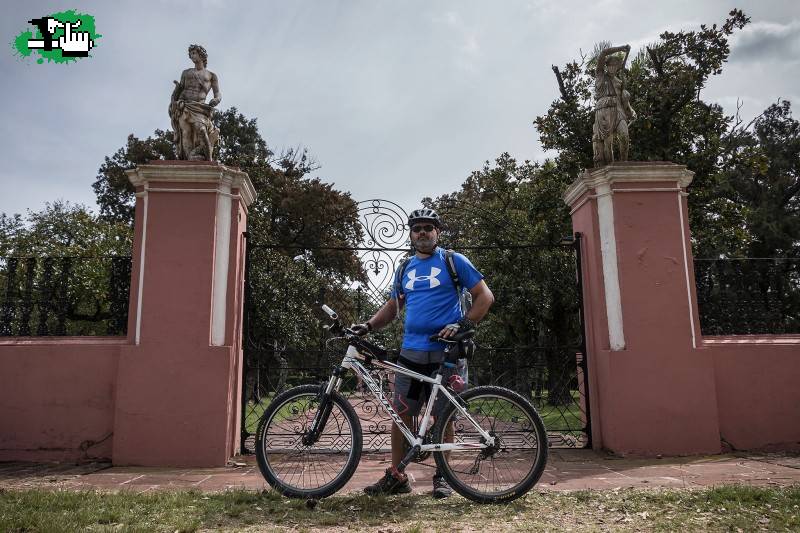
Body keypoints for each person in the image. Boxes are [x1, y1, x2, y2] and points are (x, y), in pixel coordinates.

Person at [351, 208, 494, 498]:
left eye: (428, 228)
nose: (423, 233)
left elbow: (485, 296)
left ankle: (444, 476)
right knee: (401, 416)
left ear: (437, 232)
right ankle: (397, 477)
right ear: (411, 234)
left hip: (447, 354)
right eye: (417, 228)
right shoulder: (404, 268)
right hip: (411, 354)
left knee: (445, 418)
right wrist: (367, 325)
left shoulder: (453, 261)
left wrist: (463, 324)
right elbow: (393, 307)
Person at [169, 44, 221, 161]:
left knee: (201, 130)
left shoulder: (211, 75)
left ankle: (209, 159)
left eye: (194, 53)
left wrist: (216, 99)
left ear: (201, 55)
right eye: (191, 54)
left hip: (199, 107)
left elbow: (217, 93)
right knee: (186, 132)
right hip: (184, 105)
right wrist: (175, 96)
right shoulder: (186, 72)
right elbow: (180, 89)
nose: (192, 56)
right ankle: (189, 158)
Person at [592, 43, 636, 166]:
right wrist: (621, 49)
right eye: (610, 65)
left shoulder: (620, 81)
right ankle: (610, 169)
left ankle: (623, 163)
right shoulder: (600, 75)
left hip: (619, 110)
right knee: (608, 143)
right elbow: (603, 54)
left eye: (614, 66)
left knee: (624, 136)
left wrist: (631, 110)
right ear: (606, 66)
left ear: (618, 67)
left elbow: (623, 100)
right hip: (604, 110)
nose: (612, 68)